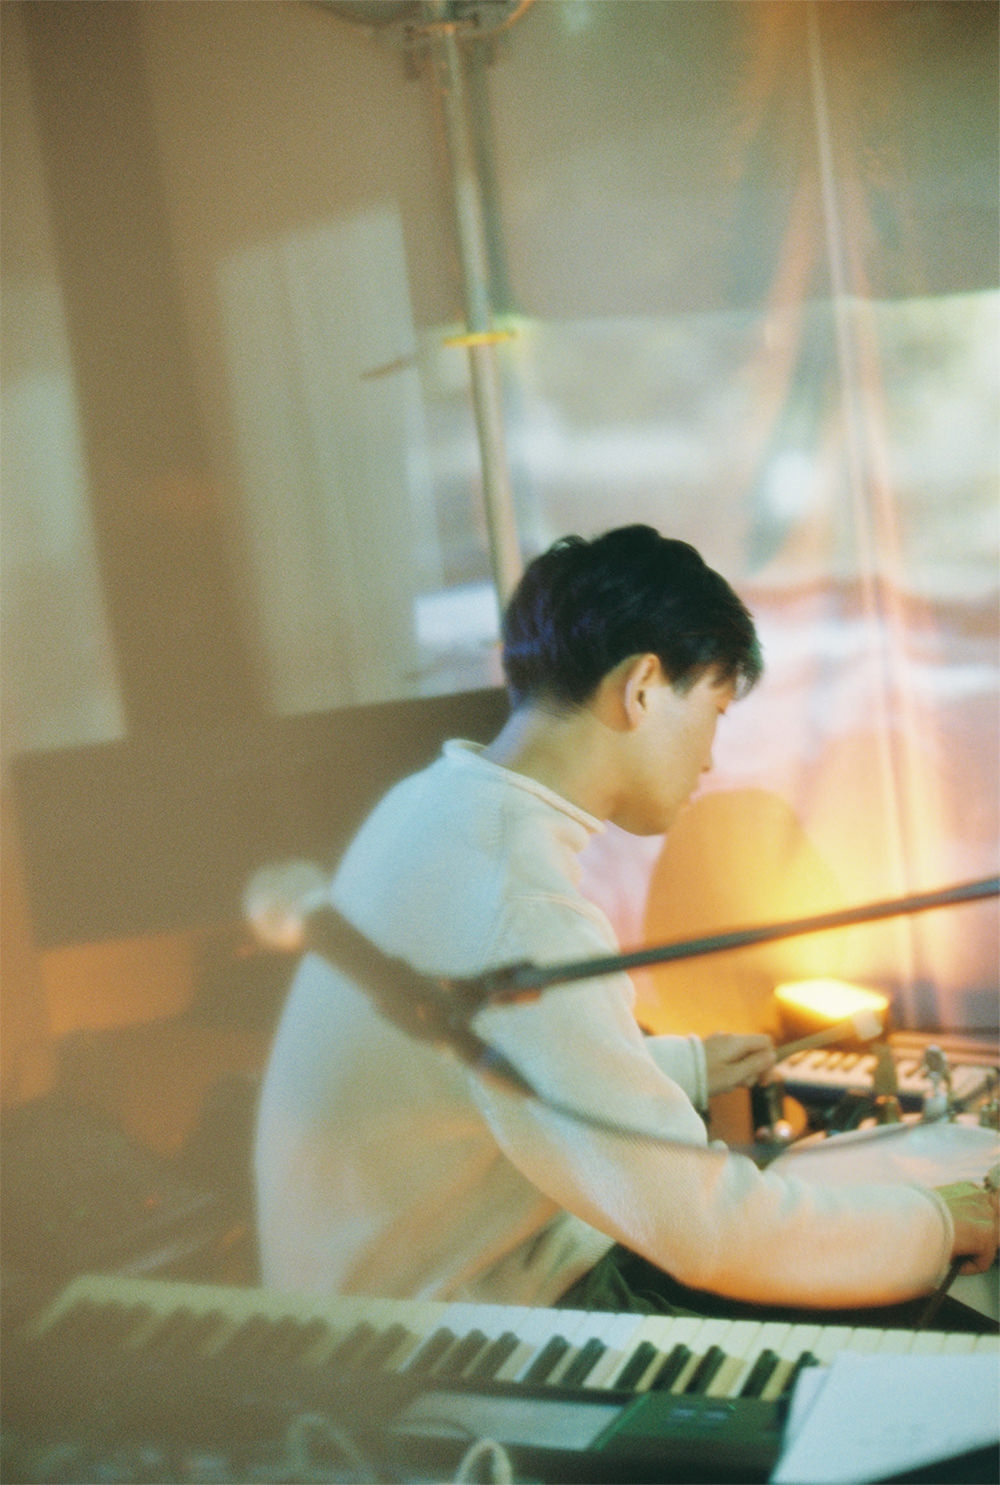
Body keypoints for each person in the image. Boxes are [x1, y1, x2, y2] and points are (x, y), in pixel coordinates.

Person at [253, 525, 998, 1321]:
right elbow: (710, 1229)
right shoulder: (522, 904)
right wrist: (938, 1221)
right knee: (959, 1343)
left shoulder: (430, 803)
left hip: (365, 1303)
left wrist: (683, 1064)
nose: (710, 758)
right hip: (452, 1337)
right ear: (642, 687)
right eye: (713, 710)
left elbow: (482, 1078)